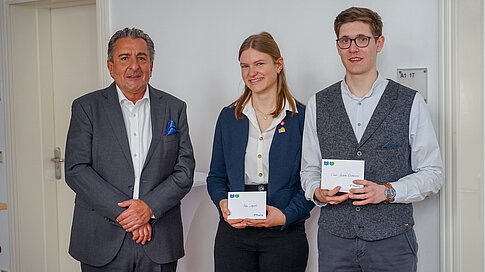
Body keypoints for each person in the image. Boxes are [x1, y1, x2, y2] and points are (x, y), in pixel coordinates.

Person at [300, 7, 444, 272]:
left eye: (362, 39)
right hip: (335, 242)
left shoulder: (409, 102)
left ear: (379, 43)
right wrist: (317, 192)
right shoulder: (318, 103)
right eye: (345, 40)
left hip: (392, 243)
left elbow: (433, 173)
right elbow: (309, 170)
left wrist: (387, 191)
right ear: (338, 46)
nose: (353, 48)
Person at [65, 27, 195, 271]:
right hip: (101, 240)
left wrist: (148, 208)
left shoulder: (174, 108)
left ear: (151, 66)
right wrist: (130, 216)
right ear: (111, 67)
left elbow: (184, 170)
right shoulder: (86, 108)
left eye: (142, 58)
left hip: (159, 238)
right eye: (125, 58)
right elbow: (76, 169)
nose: (134, 66)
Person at [206, 32, 314, 272]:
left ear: (278, 64)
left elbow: (311, 181)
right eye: (245, 66)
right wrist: (223, 203)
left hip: (285, 232)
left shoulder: (302, 118)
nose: (251, 73)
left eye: (259, 64)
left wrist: (285, 216)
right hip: (234, 233)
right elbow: (216, 176)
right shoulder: (229, 117)